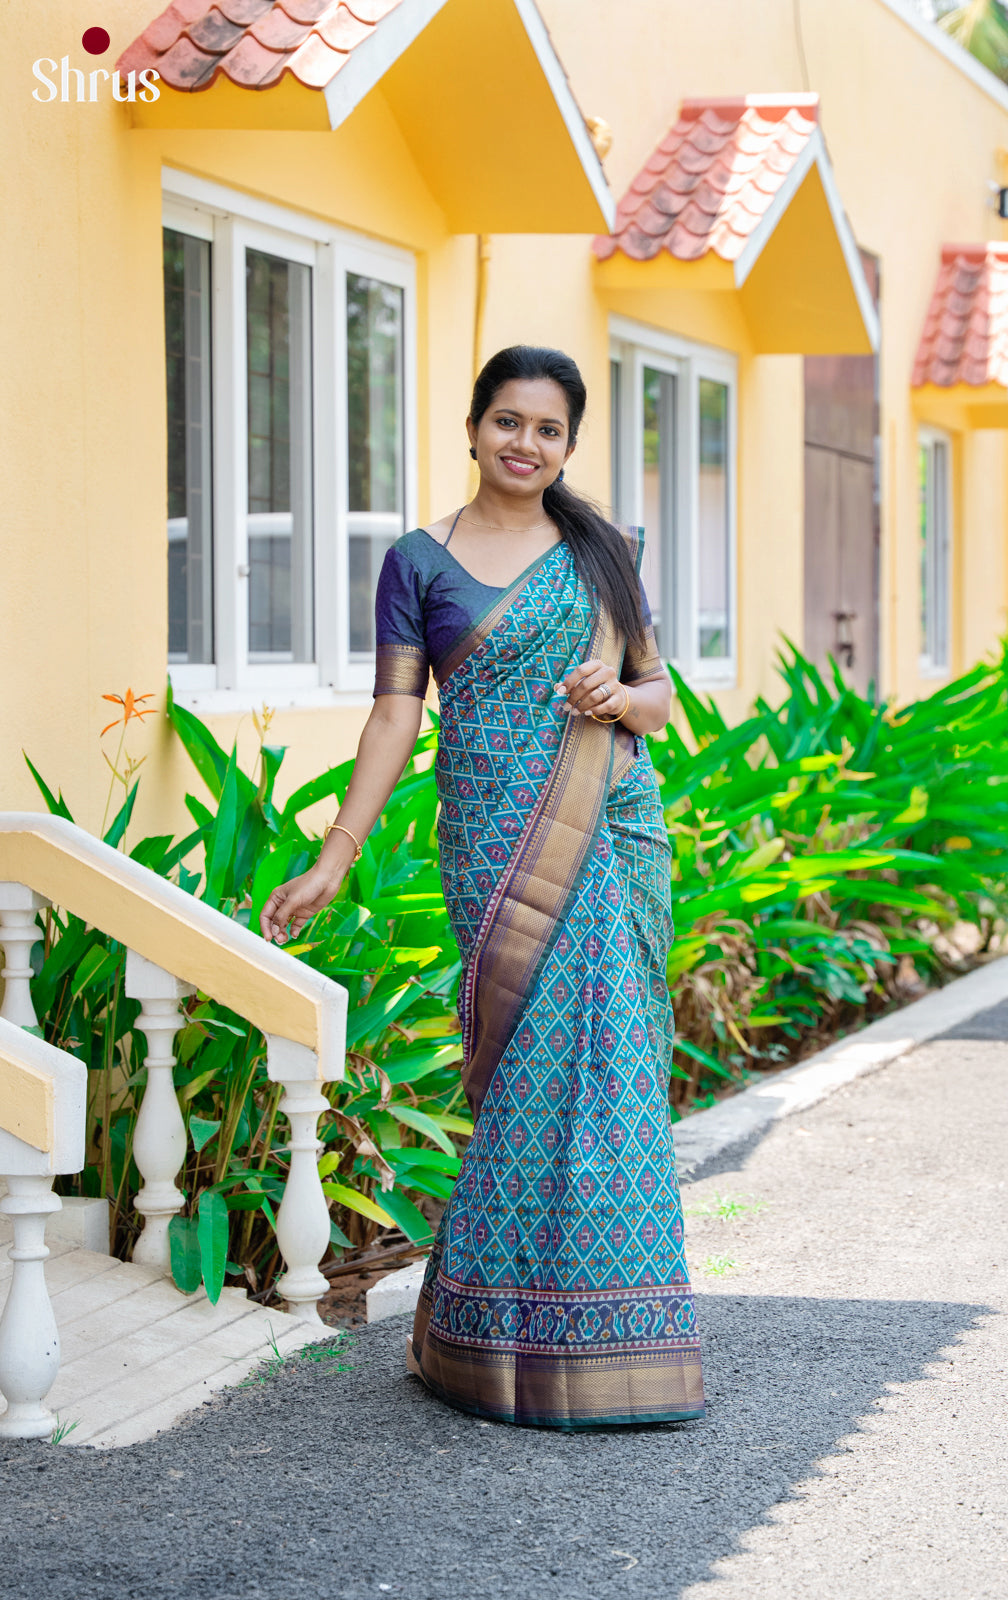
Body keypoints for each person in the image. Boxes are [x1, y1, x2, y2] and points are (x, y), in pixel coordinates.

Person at [261, 345, 704, 1430]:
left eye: (548, 430)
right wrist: (338, 851)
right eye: (508, 422)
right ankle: (486, 1343)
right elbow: (395, 716)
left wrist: (618, 695)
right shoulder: (419, 562)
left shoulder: (602, 555)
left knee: (602, 1077)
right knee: (524, 1081)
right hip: (492, 840)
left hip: (605, 831)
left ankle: (612, 1338)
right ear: (472, 428)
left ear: (568, 445)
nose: (526, 444)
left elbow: (659, 695)